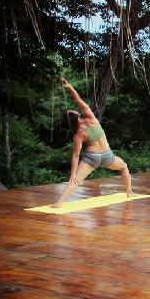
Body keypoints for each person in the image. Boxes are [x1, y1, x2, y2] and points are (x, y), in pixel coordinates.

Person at [51, 78, 135, 207]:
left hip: (92, 158)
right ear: (75, 115)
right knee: (124, 166)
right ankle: (129, 192)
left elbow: (75, 156)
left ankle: (59, 203)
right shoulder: (91, 117)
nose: (73, 109)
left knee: (76, 180)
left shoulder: (78, 135)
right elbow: (78, 100)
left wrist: (73, 173)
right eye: (71, 111)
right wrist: (69, 87)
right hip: (107, 156)